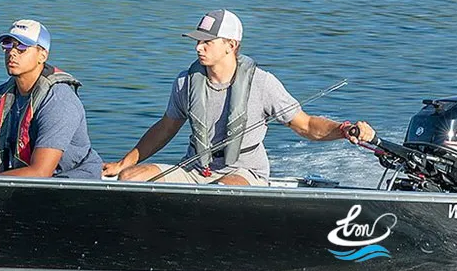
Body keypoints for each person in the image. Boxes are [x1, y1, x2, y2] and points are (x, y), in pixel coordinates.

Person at [103, 9, 374, 185]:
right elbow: (164, 129)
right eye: (197, 41)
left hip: (244, 174)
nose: (198, 47)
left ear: (230, 46)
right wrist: (123, 163)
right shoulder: (185, 82)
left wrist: (343, 129)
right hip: (196, 170)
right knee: (130, 178)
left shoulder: (263, 83)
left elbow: (306, 125)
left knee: (223, 191)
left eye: (207, 42)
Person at [0, 19, 105, 180]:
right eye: (8, 45)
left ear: (42, 55)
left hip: (72, 181)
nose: (12, 53)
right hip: (28, 180)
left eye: (22, 47)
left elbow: (40, 172)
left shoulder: (59, 100)